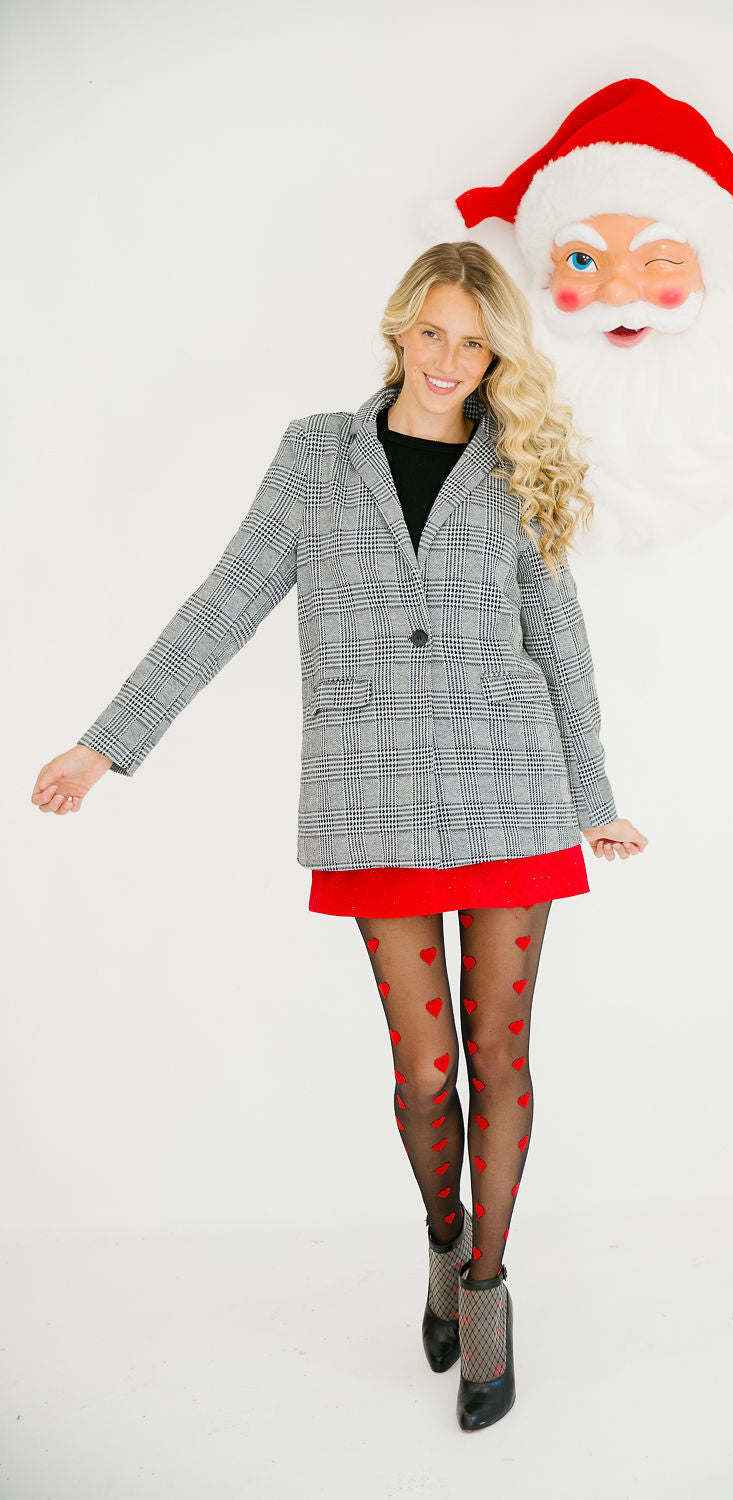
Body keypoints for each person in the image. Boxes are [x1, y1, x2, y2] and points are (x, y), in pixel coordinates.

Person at [31, 241, 647, 1432]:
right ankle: (443, 1238)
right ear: (399, 328)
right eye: (433, 334)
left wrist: (593, 796)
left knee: (499, 1057)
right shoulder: (317, 456)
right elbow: (225, 601)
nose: (448, 362)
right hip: (370, 797)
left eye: (475, 345)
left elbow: (558, 639)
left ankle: (485, 1297)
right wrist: (108, 743)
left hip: (509, 784)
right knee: (426, 1074)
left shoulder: (516, 460)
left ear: (497, 358)